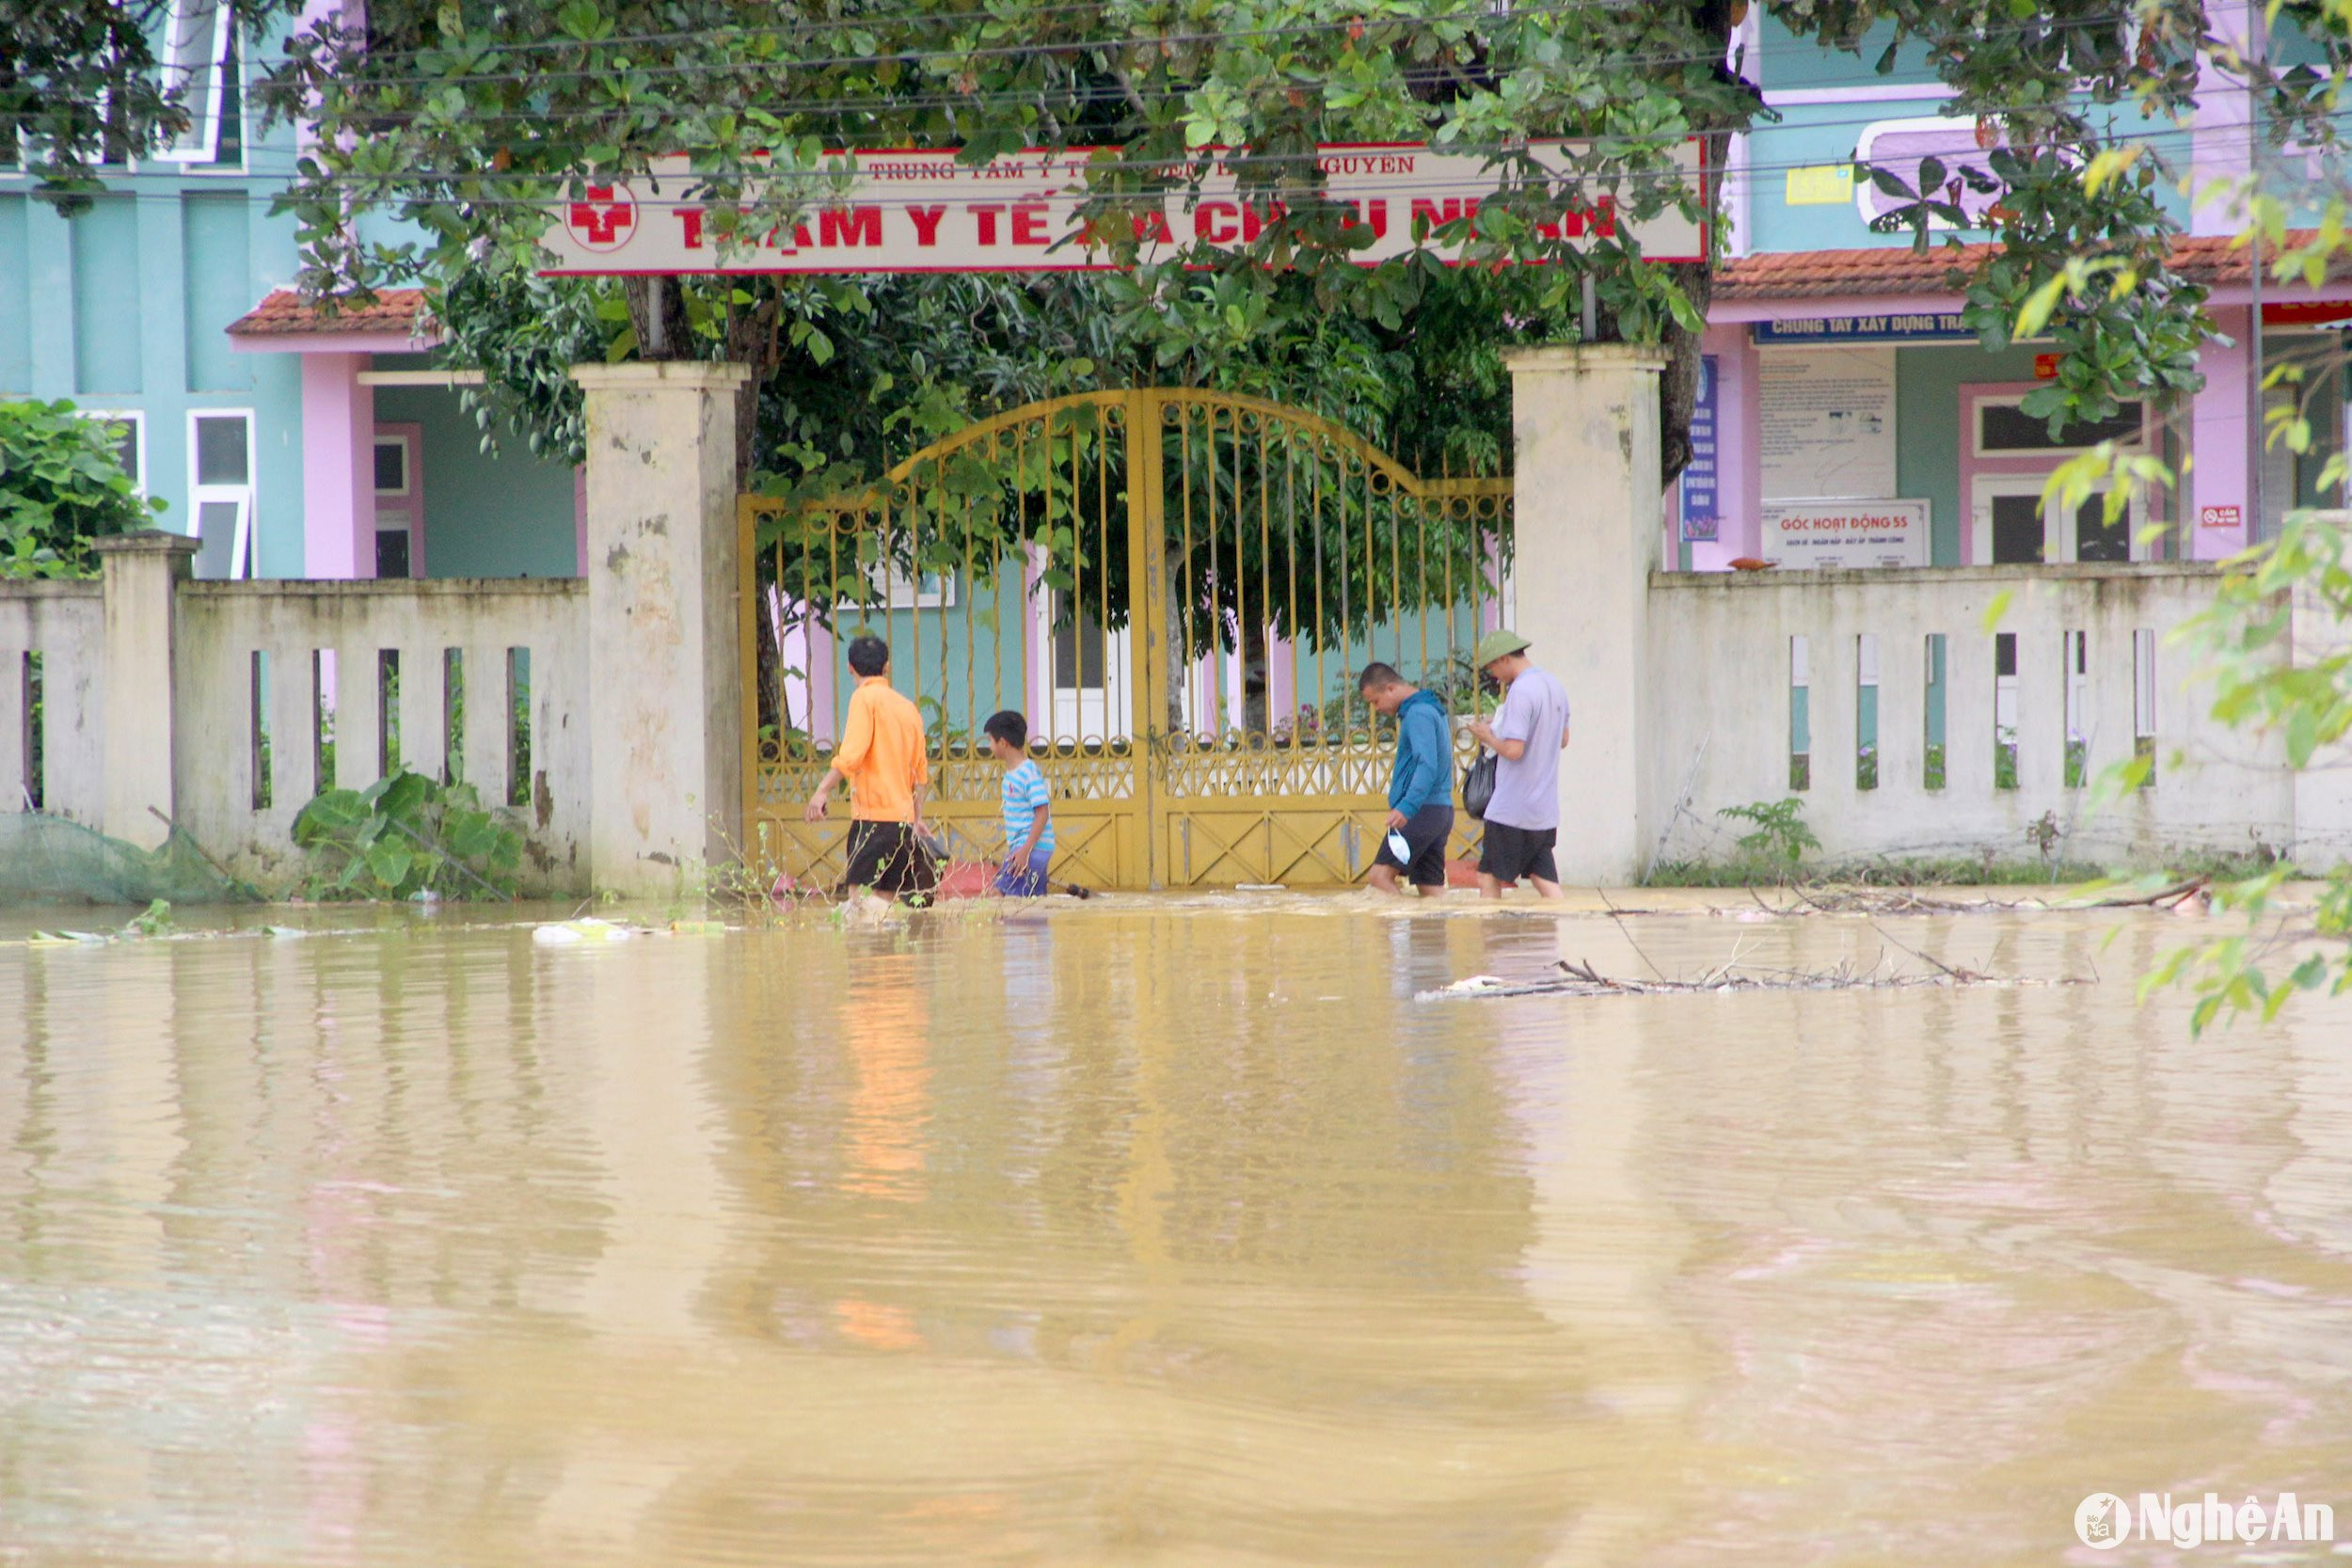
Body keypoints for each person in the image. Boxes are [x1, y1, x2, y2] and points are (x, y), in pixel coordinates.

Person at [803, 634, 938, 901]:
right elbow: (920, 774)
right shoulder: (908, 708)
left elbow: (851, 757)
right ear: (886, 666)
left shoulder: (864, 699)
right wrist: (917, 818)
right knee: (885, 906)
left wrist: (821, 791)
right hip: (903, 822)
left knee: (861, 903)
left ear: (850, 667)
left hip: (873, 821)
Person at [1464, 627, 1570, 900]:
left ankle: (1494, 937)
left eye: (1492, 668)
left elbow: (1513, 750)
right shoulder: (1554, 685)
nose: (1494, 676)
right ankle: (1558, 933)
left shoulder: (1521, 691)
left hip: (1512, 808)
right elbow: (1563, 740)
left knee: (1488, 876)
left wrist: (1489, 736)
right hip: (1543, 809)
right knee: (1542, 877)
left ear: (1503, 659)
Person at [1359, 662, 1453, 897]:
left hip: (1421, 810)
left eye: (1375, 701)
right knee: (1431, 889)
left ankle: (1400, 929)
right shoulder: (1429, 709)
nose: (1376, 708)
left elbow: (1426, 765)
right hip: (1438, 810)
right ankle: (1430, 934)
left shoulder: (1417, 714)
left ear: (1390, 688)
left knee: (1380, 877)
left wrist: (1406, 807)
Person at [983, 709, 1057, 895]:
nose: (989, 746)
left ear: (1002, 743)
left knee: (997, 896)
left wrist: (1025, 850)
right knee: (1031, 904)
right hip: (1029, 850)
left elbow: (1042, 812)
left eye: (990, 741)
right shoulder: (1013, 774)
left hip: (1030, 850)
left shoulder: (1027, 772)